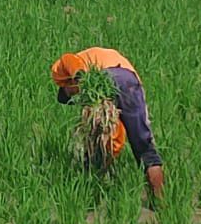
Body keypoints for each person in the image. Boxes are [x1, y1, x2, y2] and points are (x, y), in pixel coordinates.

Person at [50, 47, 165, 200]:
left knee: (95, 145)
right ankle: (159, 202)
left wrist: (81, 77)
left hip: (106, 77)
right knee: (144, 149)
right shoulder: (97, 59)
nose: (77, 94)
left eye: (72, 92)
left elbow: (68, 59)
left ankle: (92, 194)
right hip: (130, 81)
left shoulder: (64, 70)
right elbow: (117, 134)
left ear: (67, 83)